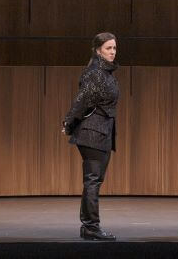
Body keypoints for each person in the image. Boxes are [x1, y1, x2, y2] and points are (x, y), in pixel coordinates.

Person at [62, 32, 120, 241]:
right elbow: (82, 99)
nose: (112, 52)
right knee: (93, 181)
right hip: (92, 133)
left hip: (101, 132)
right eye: (108, 48)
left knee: (94, 180)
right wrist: (69, 121)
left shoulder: (104, 73)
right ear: (98, 51)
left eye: (114, 48)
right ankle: (91, 227)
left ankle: (89, 227)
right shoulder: (95, 72)